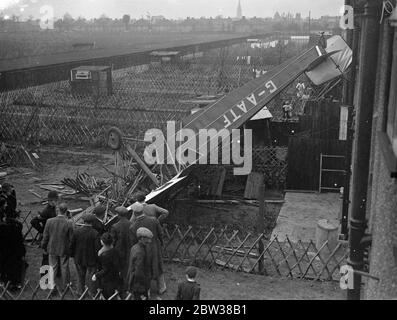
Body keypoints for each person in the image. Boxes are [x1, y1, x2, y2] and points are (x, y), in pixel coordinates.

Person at [130, 203, 166, 296]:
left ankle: (148, 291)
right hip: (155, 247)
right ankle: (162, 288)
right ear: (142, 210)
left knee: (146, 269)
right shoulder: (153, 220)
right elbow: (160, 233)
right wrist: (161, 243)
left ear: (134, 213)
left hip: (143, 250)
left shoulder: (133, 226)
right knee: (158, 266)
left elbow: (134, 241)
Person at [41, 202, 74, 292]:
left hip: (52, 247)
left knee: (52, 267)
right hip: (64, 248)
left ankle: (52, 286)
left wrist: (43, 246)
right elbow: (72, 238)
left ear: (57, 210)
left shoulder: (49, 221)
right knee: (64, 266)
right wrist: (71, 249)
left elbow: (46, 236)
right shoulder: (69, 222)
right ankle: (66, 286)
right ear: (66, 211)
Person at [70, 214, 101, 295]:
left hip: (79, 258)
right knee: (91, 276)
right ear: (93, 222)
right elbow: (97, 248)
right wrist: (98, 259)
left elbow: (72, 244)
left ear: (84, 221)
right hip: (91, 259)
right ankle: (92, 292)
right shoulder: (95, 233)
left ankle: (80, 291)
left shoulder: (77, 231)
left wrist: (72, 254)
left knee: (80, 275)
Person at [0, 199, 26, 290]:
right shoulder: (15, 232)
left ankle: (5, 281)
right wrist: (23, 253)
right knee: (15, 268)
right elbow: (20, 244)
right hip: (14, 254)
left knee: (5, 267)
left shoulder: (4, 230)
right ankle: (15, 283)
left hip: (5, 252)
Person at [92, 233, 122, 299]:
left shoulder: (104, 255)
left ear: (102, 242)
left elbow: (105, 269)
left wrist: (96, 275)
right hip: (115, 278)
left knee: (107, 296)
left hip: (107, 280)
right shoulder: (115, 251)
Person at [110, 206, 133, 290]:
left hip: (119, 250)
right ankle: (127, 286)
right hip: (130, 249)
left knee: (118, 268)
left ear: (118, 215)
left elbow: (113, 240)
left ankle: (120, 287)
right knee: (127, 268)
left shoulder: (115, 226)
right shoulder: (131, 224)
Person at [127, 227, 153, 300]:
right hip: (139, 284)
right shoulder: (140, 252)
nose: (150, 241)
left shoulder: (135, 247)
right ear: (141, 238)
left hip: (134, 280)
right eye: (148, 239)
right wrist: (146, 283)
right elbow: (139, 272)